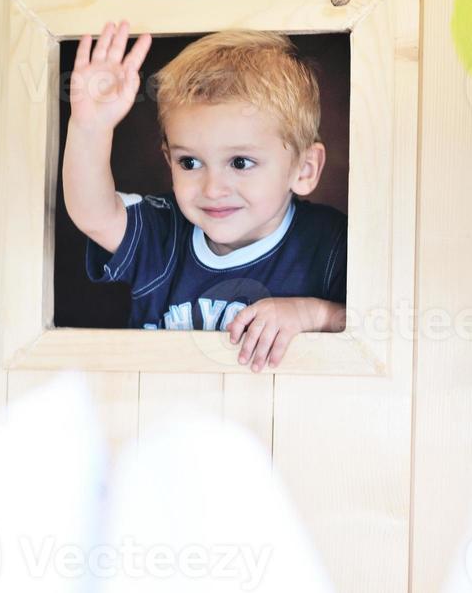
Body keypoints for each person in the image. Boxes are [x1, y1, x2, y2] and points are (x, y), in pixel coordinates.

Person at [62, 20, 347, 372]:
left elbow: (379, 332)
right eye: (190, 162)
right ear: (169, 159)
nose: (213, 188)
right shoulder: (164, 232)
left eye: (240, 162)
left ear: (304, 169)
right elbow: (93, 215)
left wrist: (312, 313)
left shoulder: (331, 244)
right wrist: (90, 127)